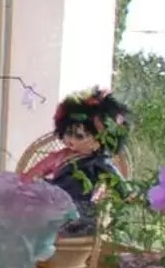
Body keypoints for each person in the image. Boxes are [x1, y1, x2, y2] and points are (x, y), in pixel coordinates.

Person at [20, 88, 130, 236]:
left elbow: (118, 182)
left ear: (98, 142)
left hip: (80, 210)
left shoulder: (100, 162)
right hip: (55, 200)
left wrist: (128, 195)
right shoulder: (60, 156)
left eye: (79, 136)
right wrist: (28, 182)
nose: (70, 140)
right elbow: (38, 170)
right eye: (68, 133)